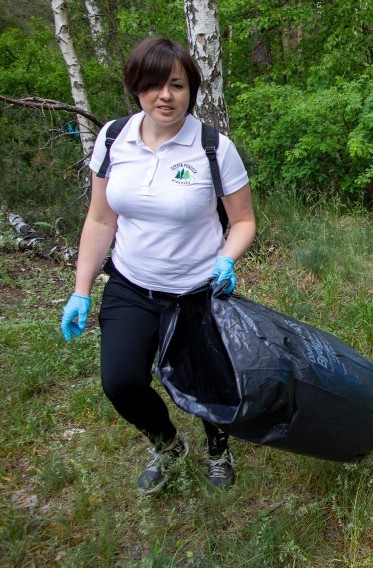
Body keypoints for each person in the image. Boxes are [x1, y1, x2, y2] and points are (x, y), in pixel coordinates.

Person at [60, 37, 256, 493]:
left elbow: (244, 221)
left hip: (196, 288)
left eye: (176, 85)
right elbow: (99, 217)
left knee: (207, 383)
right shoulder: (113, 137)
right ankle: (167, 445)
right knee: (121, 382)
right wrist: (81, 288)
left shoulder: (213, 147)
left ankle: (217, 449)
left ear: (191, 90)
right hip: (132, 284)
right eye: (153, 84)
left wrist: (226, 259)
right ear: (136, 88)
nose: (165, 95)